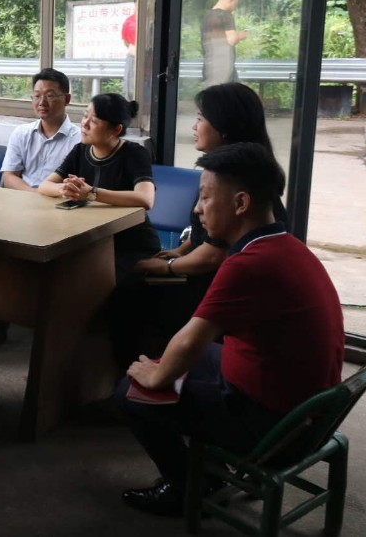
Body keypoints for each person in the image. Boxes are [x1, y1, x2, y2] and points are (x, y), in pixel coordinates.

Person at [116, 142, 344, 518]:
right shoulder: (285, 245)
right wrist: (166, 366)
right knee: (182, 356)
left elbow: (191, 338)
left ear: (240, 203)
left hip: (277, 428)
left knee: (132, 392)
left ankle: (189, 486)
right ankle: (204, 467)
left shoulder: (247, 265)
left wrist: (155, 377)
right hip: (304, 407)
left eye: (206, 197)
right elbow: (191, 343)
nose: (197, 208)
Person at [124, 82, 284, 362]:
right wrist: (182, 249)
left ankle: (148, 371)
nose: (194, 126)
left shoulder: (233, 180)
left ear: (225, 127)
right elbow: (206, 232)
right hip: (208, 273)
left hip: (216, 286)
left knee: (130, 294)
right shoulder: (233, 171)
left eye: (200, 118)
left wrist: (166, 266)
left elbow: (212, 255)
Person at [0, 68, 81, 357]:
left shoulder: (80, 139)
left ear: (67, 99)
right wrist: (34, 196)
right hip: (21, 206)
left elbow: (74, 185)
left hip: (61, 212)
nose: (42, 102)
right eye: (37, 95)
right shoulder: (22, 133)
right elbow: (9, 176)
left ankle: (52, 330)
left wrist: (44, 198)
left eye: (50, 95)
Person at [39, 93, 160, 280]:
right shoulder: (80, 151)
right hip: (91, 241)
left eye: (94, 121)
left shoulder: (134, 153)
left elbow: (146, 199)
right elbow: (45, 186)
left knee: (89, 280)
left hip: (130, 244)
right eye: (85, 116)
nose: (84, 124)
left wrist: (91, 193)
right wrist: (66, 189)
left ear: (116, 129)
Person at [201, 0, 248, 85]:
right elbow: (232, 40)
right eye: (235, 4)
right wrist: (241, 35)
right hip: (224, 67)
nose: (234, 8)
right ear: (231, 0)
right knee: (231, 92)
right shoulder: (226, 15)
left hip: (209, 65)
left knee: (213, 92)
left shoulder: (206, 16)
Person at [121, 3, 137, 99]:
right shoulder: (129, 21)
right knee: (129, 85)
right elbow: (125, 40)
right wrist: (132, 48)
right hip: (132, 55)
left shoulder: (149, 20)